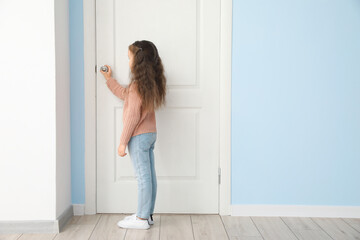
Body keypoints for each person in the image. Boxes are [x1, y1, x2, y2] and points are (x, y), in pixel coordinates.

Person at [100, 40, 166, 230]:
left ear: (138, 62)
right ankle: (147, 215)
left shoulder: (138, 86)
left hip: (138, 137)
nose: (127, 61)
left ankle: (141, 219)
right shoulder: (147, 84)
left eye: (129, 58)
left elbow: (132, 116)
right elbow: (125, 94)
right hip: (150, 134)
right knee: (150, 177)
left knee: (143, 178)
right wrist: (109, 79)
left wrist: (122, 143)